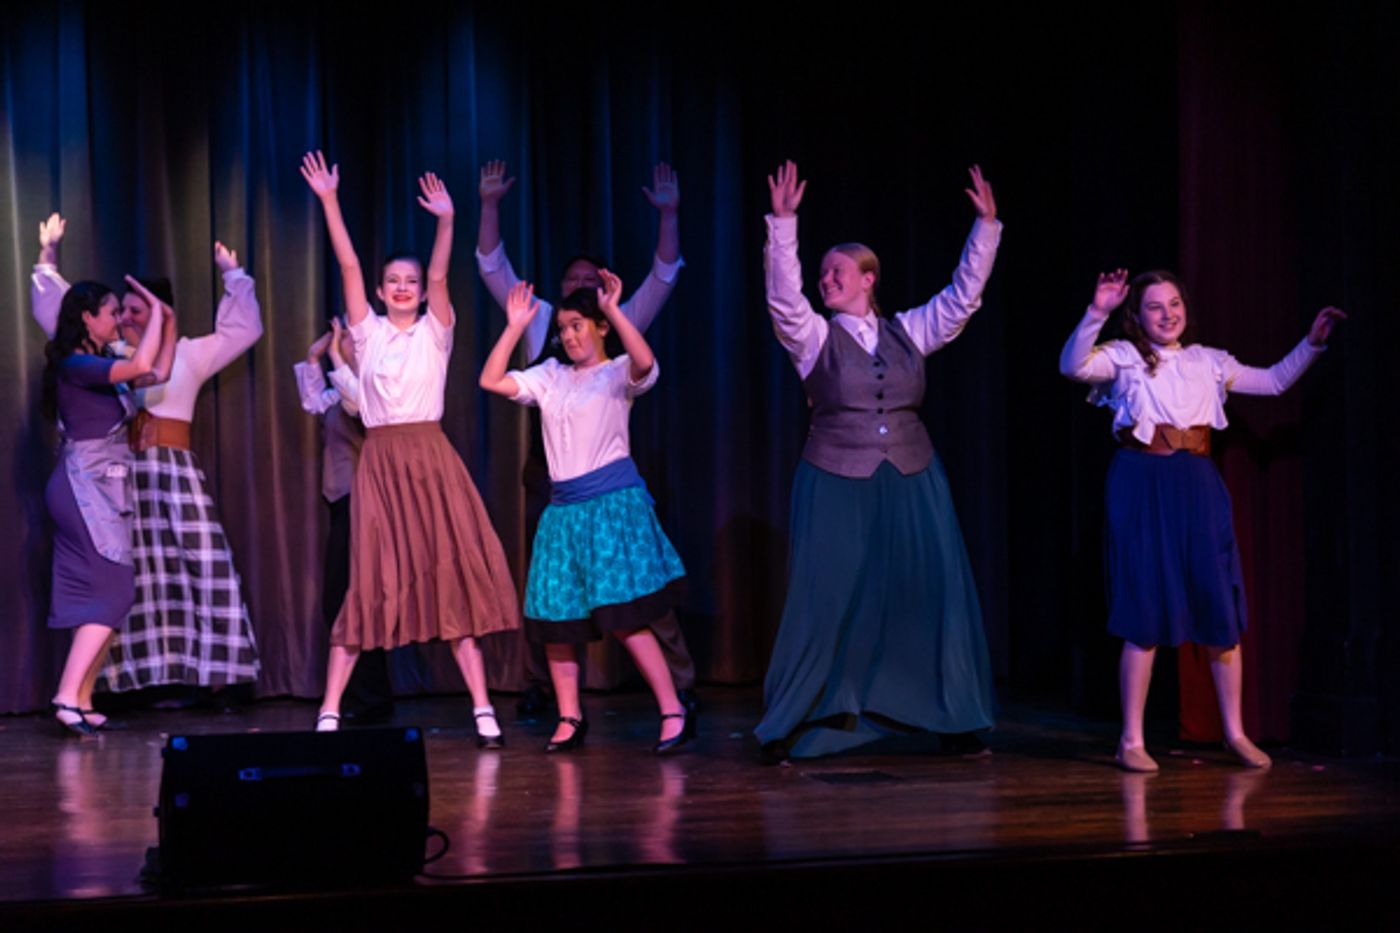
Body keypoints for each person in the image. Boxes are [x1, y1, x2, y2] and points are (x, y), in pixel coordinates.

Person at [754, 160, 1001, 761]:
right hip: (837, 475)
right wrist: (783, 225)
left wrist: (987, 228)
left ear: (868, 278)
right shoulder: (813, 336)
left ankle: (952, 715)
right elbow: (784, 298)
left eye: (835, 272)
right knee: (826, 593)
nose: (824, 281)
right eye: (822, 274)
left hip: (914, 474)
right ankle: (800, 716)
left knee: (932, 588)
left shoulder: (910, 330)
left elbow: (963, 298)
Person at [1059, 268, 1345, 772]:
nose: (1167, 314)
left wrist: (1312, 344)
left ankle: (1234, 732)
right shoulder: (1124, 359)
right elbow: (1073, 366)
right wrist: (1096, 312)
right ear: (1137, 315)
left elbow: (1275, 381)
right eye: (1154, 306)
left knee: (1218, 605)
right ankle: (1131, 740)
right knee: (1143, 608)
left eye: (1174, 304)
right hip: (1141, 481)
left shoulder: (1208, 362)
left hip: (1197, 485)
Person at [300, 151, 519, 745]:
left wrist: (447, 223)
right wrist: (328, 201)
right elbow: (346, 263)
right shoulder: (365, 334)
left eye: (411, 283)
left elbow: (446, 276)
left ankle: (481, 706)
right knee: (366, 583)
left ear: (422, 294)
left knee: (449, 576)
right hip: (381, 463)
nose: (402, 288)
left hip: (430, 460)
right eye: (392, 281)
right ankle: (330, 708)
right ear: (380, 290)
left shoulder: (435, 331)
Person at [475, 160, 697, 713]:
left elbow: (664, 276)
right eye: (571, 284)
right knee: (554, 596)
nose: (578, 295)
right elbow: (490, 266)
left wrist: (668, 216)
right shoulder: (546, 331)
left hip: (609, 477)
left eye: (588, 288)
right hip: (553, 476)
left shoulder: (616, 341)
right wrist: (489, 206)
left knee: (634, 599)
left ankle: (676, 694)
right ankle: (552, 699)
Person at [32, 215, 262, 702]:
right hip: (117, 476)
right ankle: (104, 687)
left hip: (172, 473)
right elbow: (63, 314)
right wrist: (47, 256)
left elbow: (241, 331)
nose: (129, 318)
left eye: (139, 310)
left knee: (200, 565)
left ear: (161, 312)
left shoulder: (188, 355)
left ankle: (215, 677)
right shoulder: (104, 356)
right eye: (124, 310)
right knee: (124, 579)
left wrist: (233, 276)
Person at [41, 276, 171, 733]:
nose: (120, 319)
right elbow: (140, 368)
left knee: (100, 597)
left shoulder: (98, 364)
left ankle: (81, 698)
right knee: (114, 590)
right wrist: (154, 314)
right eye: (113, 312)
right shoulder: (77, 365)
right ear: (87, 318)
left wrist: (166, 320)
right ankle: (64, 696)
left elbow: (159, 372)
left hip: (99, 484)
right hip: (84, 486)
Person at [293, 317, 394, 721]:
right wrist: (316, 356)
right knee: (342, 601)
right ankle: (361, 696)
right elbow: (313, 400)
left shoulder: (371, 388)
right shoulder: (341, 389)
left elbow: (359, 406)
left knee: (354, 600)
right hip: (343, 504)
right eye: (344, 334)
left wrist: (337, 355)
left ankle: (367, 698)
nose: (345, 341)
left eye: (353, 336)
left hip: (364, 504)